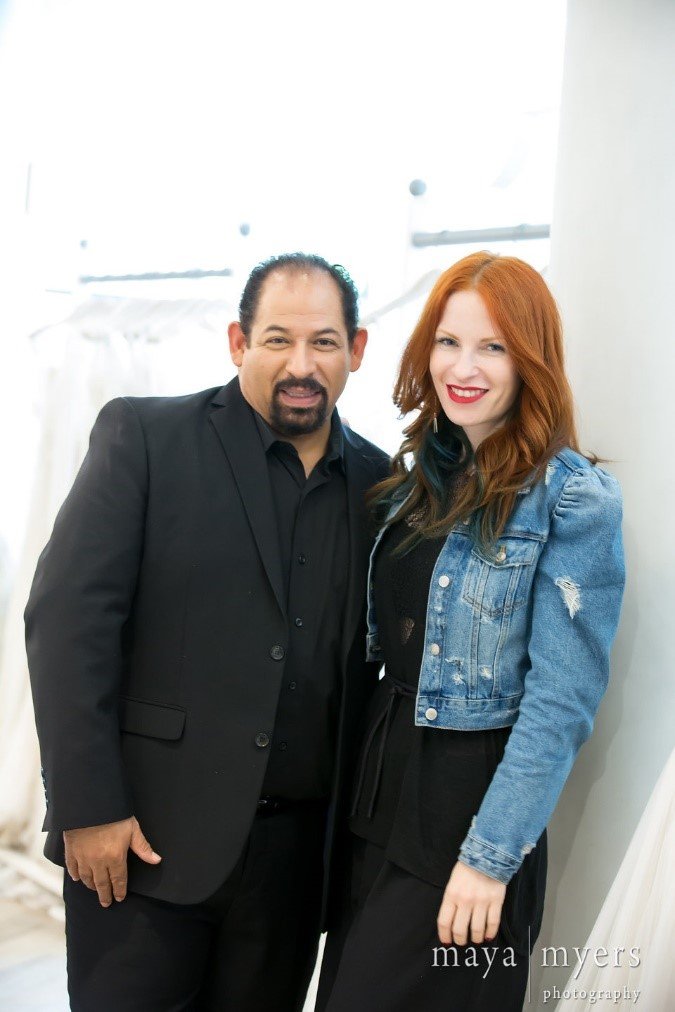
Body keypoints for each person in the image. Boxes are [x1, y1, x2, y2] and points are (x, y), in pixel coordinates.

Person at [25, 252, 390, 1012]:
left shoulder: (380, 487)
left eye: (323, 342)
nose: (300, 364)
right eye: (277, 339)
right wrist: (88, 805)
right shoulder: (146, 437)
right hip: (142, 844)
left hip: (294, 868)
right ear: (237, 341)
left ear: (355, 351)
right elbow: (67, 624)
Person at [316, 251, 625, 1012]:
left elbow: (561, 700)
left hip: (468, 806)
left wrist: (489, 860)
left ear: (530, 361)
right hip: (377, 789)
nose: (464, 366)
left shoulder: (571, 499)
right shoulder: (419, 476)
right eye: (448, 342)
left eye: (492, 347)